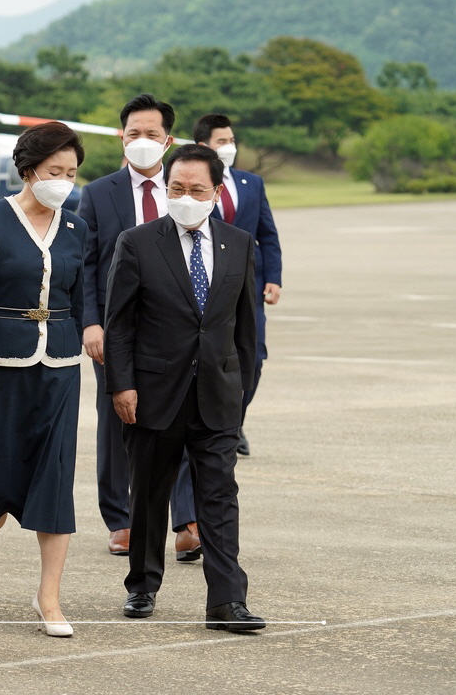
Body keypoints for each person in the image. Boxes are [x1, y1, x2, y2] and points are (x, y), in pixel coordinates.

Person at [104, 143, 264, 632]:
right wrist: (122, 386)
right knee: (150, 495)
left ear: (216, 191)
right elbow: (120, 324)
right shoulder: (137, 242)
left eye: (196, 189)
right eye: (177, 188)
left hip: (217, 394)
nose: (186, 196)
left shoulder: (238, 244)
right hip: (153, 393)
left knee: (219, 496)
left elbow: (245, 327)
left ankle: (226, 601)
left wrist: (243, 390)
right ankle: (143, 586)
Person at [0, 121, 87, 638]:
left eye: (72, 173)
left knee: (54, 478)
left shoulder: (77, 227)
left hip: (60, 369)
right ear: (29, 170)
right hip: (0, 370)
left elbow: (84, 295)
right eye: (56, 171)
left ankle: (48, 597)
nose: (64, 181)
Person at [77, 93, 201, 562]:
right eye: (134, 134)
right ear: (120, 138)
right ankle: (121, 518)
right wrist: (91, 322)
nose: (142, 142)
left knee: (184, 416)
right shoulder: (98, 193)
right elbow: (86, 265)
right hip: (116, 328)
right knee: (116, 420)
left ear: (168, 141)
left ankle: (187, 520)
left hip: (177, 327)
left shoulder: (188, 192)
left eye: (152, 134)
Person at [194, 114, 282, 456]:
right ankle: (214, 426)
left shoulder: (252, 184)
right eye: (221, 141)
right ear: (204, 146)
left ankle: (235, 422)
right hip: (209, 286)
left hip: (251, 285)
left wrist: (273, 277)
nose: (229, 147)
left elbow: (268, 234)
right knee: (213, 357)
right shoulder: (190, 186)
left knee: (254, 356)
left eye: (231, 141)